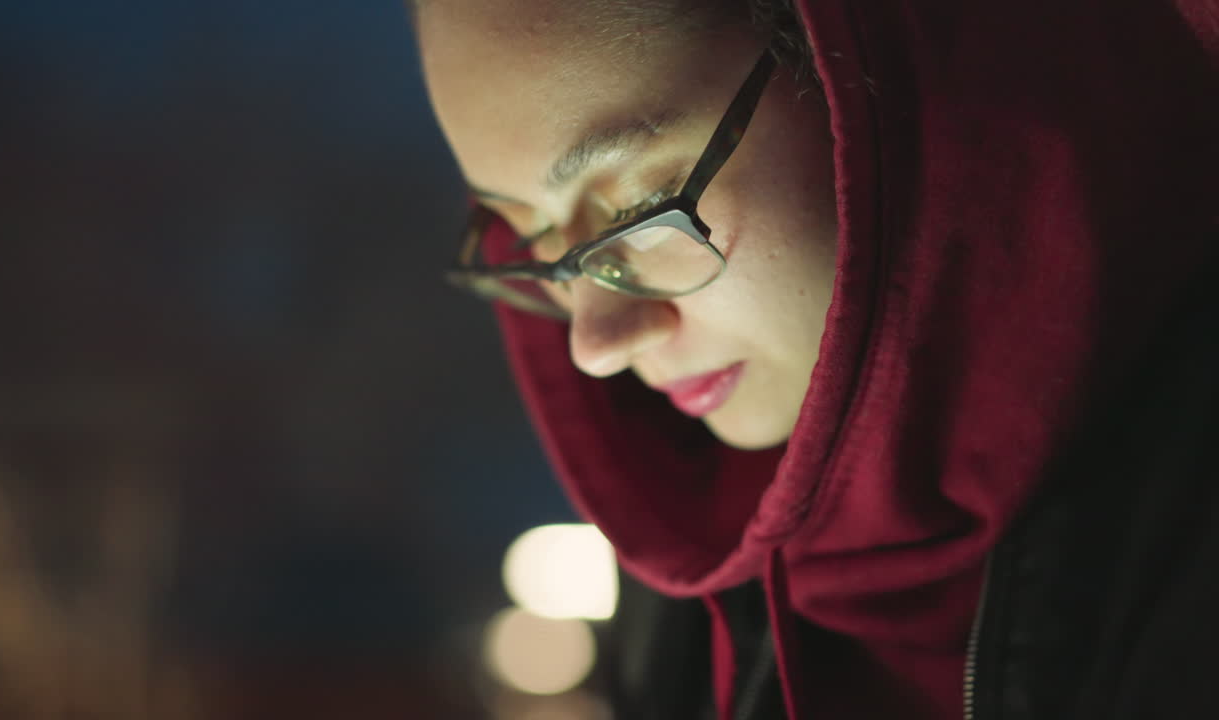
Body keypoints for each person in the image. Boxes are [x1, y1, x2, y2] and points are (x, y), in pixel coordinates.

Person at [411, 1, 1219, 718]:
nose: (595, 343)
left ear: (872, 64)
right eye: (539, 239)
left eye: (641, 208)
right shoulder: (684, 603)